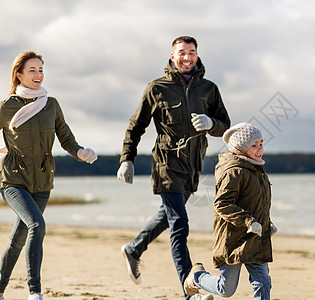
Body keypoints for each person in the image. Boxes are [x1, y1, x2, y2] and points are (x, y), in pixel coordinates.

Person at [117, 36, 230, 300]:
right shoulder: (157, 88)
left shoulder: (209, 89)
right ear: (172, 56)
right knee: (179, 223)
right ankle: (191, 290)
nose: (187, 58)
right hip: (166, 164)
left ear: (197, 55)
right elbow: (136, 126)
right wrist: (127, 159)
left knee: (166, 217)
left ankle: (134, 249)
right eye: (182, 53)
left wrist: (211, 124)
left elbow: (226, 125)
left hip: (193, 166)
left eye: (191, 53)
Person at [0, 51, 97, 300]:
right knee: (37, 225)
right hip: (13, 180)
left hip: (42, 181)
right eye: (32, 70)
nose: (38, 74)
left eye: (41, 69)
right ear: (18, 74)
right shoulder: (6, 107)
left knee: (18, 238)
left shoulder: (50, 104)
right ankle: (35, 292)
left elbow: (65, 136)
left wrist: (80, 152)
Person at [183, 122, 277, 300]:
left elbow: (258, 203)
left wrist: (266, 224)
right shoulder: (233, 171)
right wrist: (249, 221)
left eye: (261, 144)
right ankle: (196, 278)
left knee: (263, 282)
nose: (260, 150)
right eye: (254, 145)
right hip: (233, 239)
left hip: (255, 237)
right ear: (240, 149)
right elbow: (222, 203)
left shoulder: (257, 170)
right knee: (226, 289)